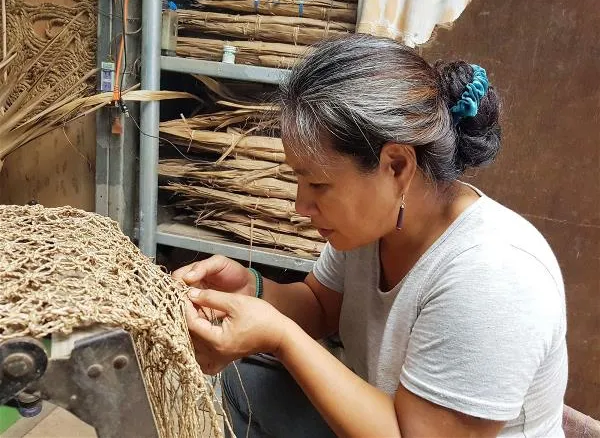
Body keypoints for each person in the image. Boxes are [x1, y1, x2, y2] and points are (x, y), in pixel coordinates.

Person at [173, 35, 567, 437]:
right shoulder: (375, 226)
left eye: (318, 185)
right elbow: (319, 305)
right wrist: (254, 290)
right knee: (243, 386)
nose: (300, 206)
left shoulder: (494, 275)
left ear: (396, 166)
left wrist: (280, 337)